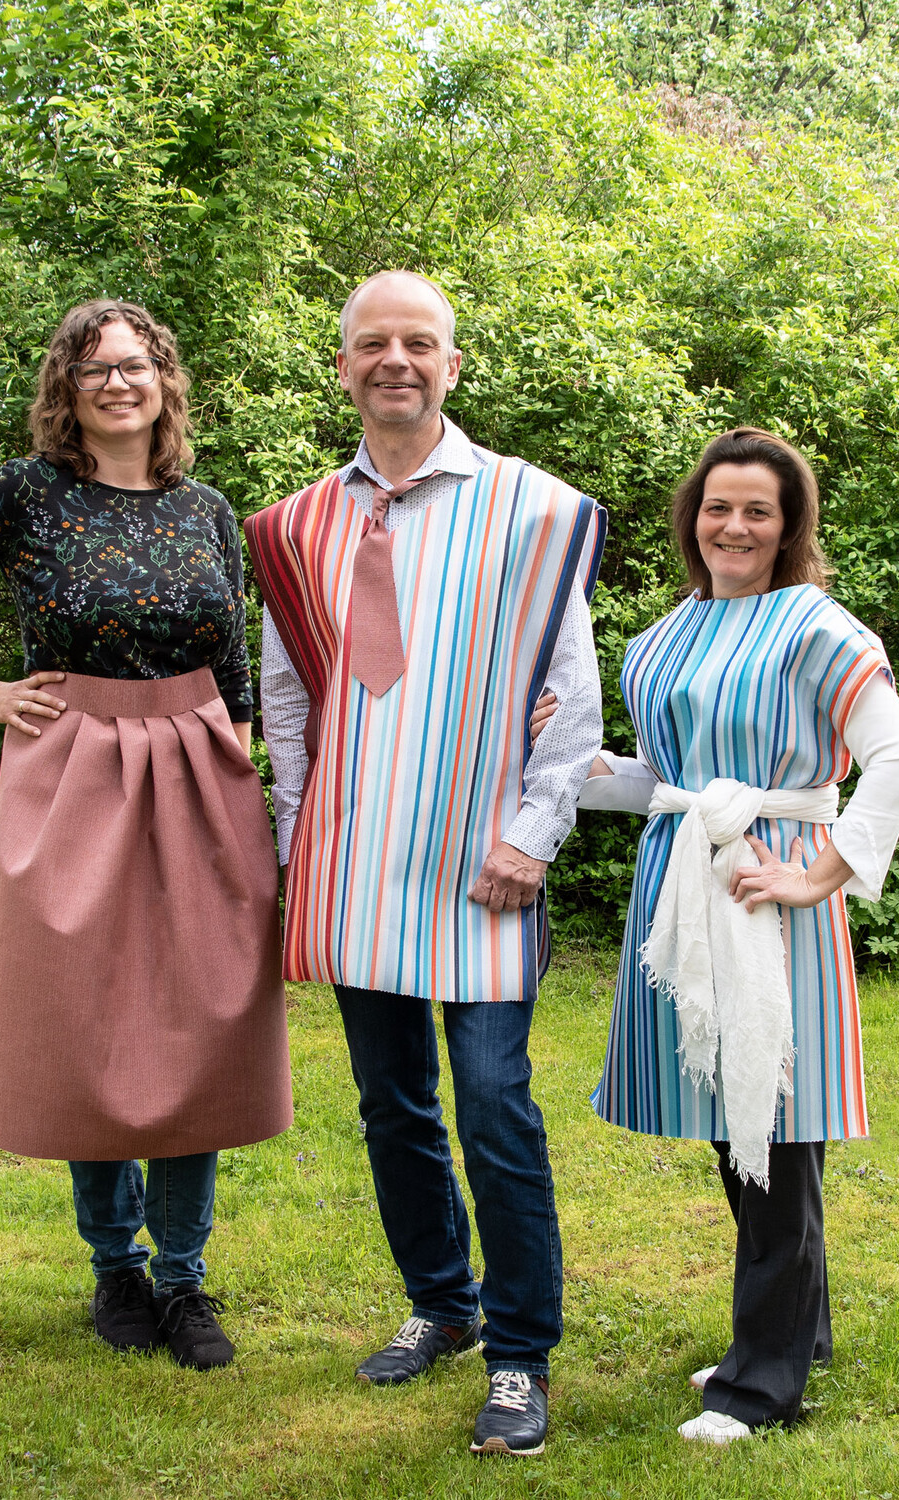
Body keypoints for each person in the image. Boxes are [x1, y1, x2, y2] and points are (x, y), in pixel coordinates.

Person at [0, 299, 292, 1370]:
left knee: (200, 1023)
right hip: (76, 770)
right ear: (66, 387)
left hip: (199, 773)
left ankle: (183, 1278)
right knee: (89, 1021)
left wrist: (236, 775)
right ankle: (115, 1270)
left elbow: (234, 667)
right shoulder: (27, 494)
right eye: (94, 368)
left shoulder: (206, 510)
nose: (116, 383)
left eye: (134, 365)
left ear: (164, 381)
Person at [245, 270, 606, 1457]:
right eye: (372, 343)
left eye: (419, 342)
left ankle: (520, 1356)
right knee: (392, 1106)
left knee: (495, 1106)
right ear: (343, 366)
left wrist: (533, 836)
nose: (394, 360)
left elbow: (571, 699)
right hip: (356, 859)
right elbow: (288, 702)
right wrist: (300, 843)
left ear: (451, 365)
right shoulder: (296, 527)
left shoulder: (532, 510)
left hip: (480, 859)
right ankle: (442, 1304)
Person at [536, 426, 899, 1442]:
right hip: (687, 882)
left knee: (776, 1123)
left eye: (759, 510)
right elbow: (676, 781)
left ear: (789, 526)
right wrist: (581, 766)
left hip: (767, 895)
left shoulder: (816, 627)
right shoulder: (669, 634)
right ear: (693, 518)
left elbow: (898, 757)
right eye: (719, 507)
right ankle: (798, 1331)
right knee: (733, 1117)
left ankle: (761, 1383)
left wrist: (820, 876)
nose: (735, 526)